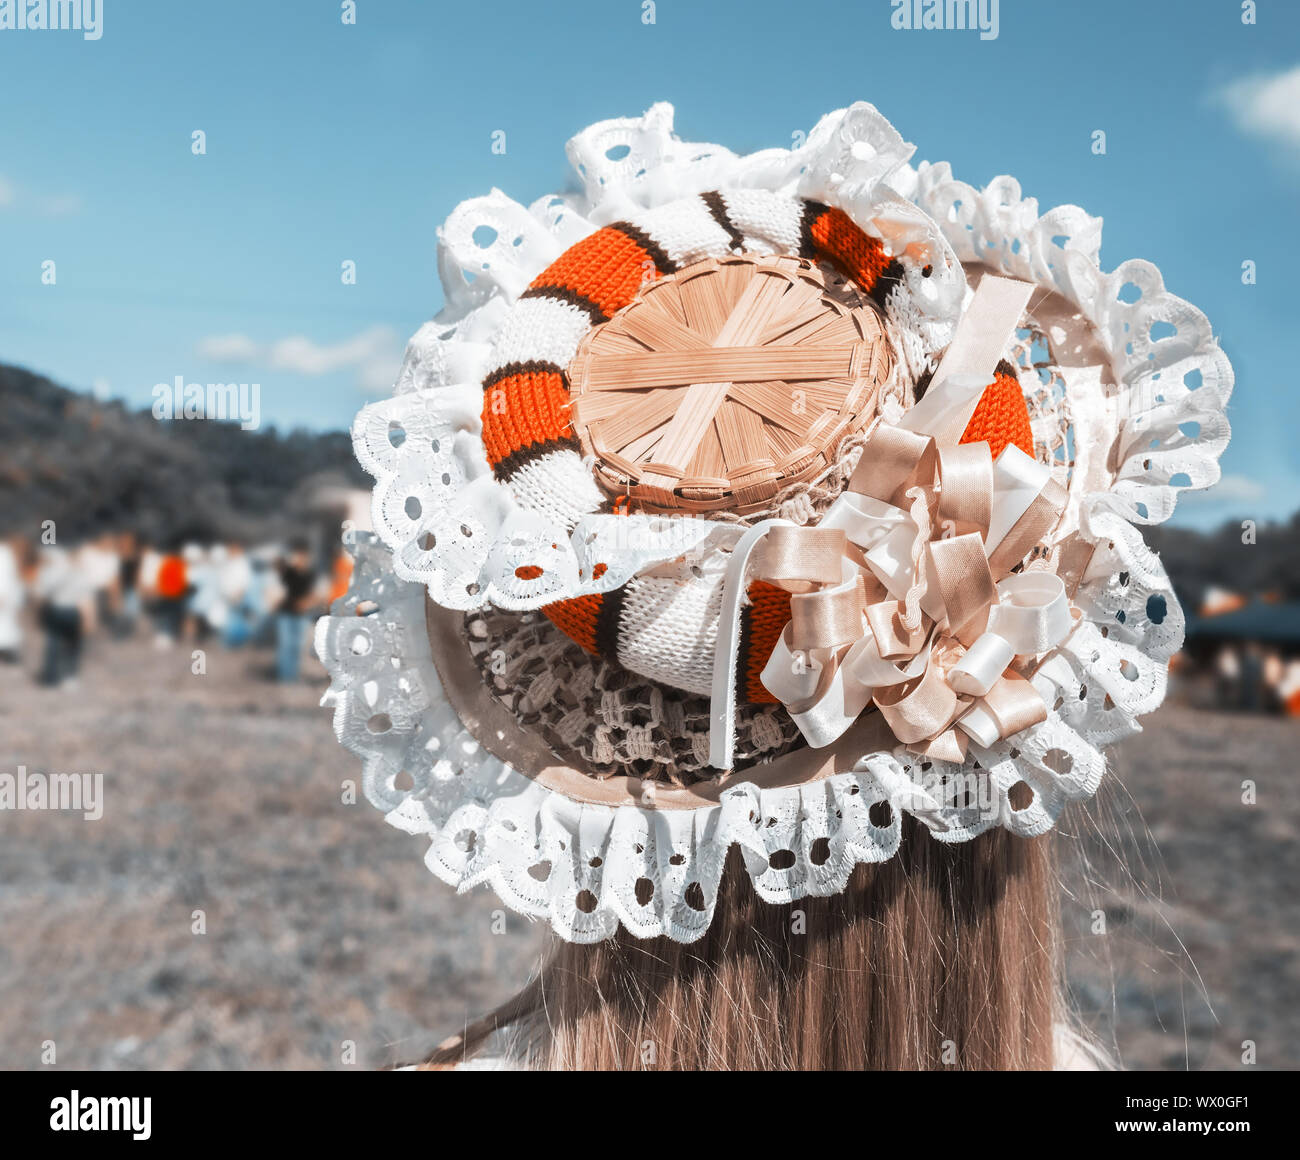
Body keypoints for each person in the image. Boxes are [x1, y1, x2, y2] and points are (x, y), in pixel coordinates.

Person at [33, 545, 88, 688]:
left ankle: (51, 677)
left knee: (53, 643)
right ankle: (70, 677)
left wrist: (38, 613)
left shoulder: (51, 570)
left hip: (56, 608)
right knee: (73, 645)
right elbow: (85, 595)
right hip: (74, 610)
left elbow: (42, 593)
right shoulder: (80, 570)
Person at [274, 540, 317, 682]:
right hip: (286, 613)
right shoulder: (288, 572)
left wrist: (307, 602)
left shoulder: (310, 574)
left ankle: (293, 676)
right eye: (297, 554)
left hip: (302, 615)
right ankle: (285, 677)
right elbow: (278, 584)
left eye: (302, 555)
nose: (300, 557)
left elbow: (313, 594)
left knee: (297, 646)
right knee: (285, 644)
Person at [0, 536, 24, 663]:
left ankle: (8, 652)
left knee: (6, 624)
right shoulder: (6, 553)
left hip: (6, 596)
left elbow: (4, 577)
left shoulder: (4, 553)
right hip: (7, 596)